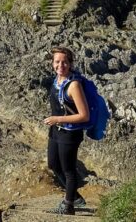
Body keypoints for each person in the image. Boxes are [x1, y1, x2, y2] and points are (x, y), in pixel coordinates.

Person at [43, 47, 90, 215]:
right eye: (57, 62)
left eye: (64, 62)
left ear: (70, 64)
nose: (60, 65)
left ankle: (68, 205)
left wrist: (57, 119)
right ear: (52, 63)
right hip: (56, 131)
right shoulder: (56, 80)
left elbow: (84, 115)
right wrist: (55, 122)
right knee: (53, 164)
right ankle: (75, 196)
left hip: (70, 134)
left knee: (69, 170)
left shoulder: (74, 85)